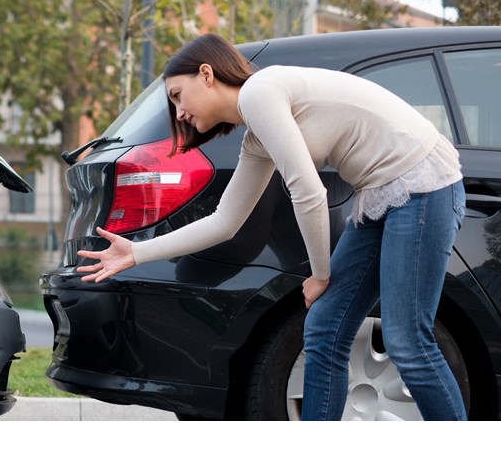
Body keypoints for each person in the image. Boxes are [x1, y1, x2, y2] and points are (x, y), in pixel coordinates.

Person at [76, 33, 467, 421]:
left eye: (178, 95)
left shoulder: (259, 92)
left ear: (207, 74)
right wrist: (136, 252)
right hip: (382, 193)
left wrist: (319, 276)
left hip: (422, 184)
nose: (178, 113)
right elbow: (225, 222)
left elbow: (308, 192)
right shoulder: (257, 137)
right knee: (325, 328)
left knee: (407, 341)